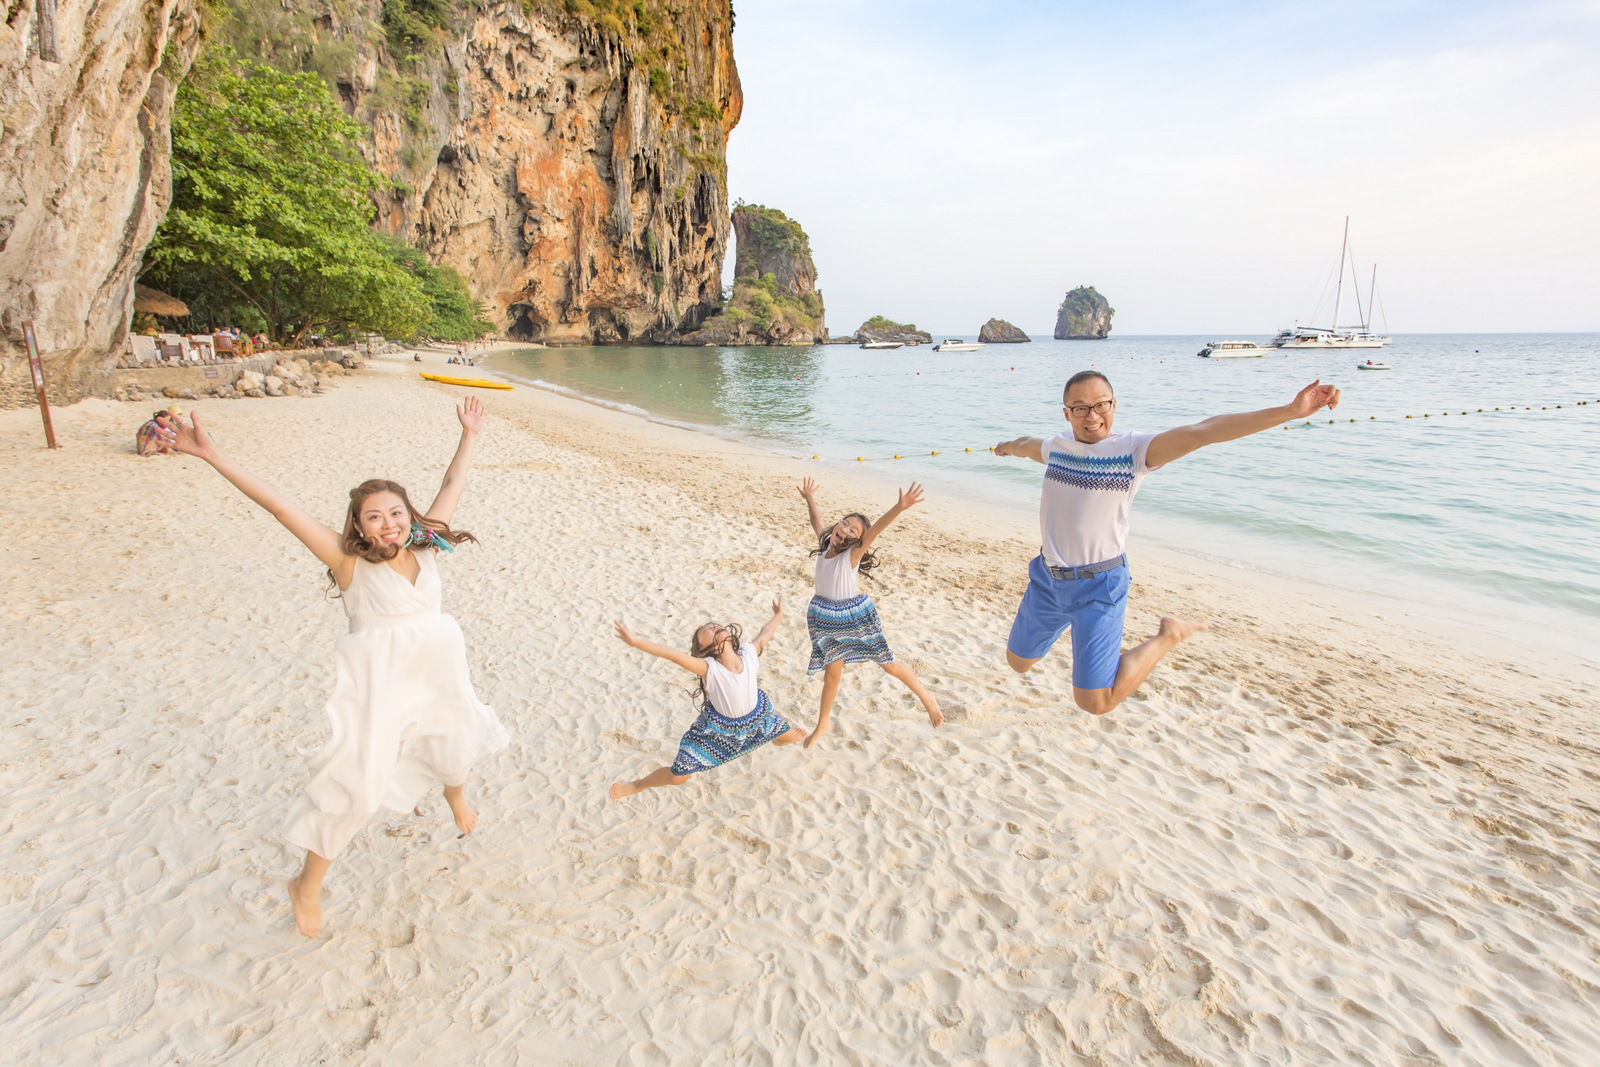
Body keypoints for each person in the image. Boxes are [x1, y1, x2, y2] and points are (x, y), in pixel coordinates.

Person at [159, 397, 509, 936]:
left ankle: (455, 797)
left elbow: (453, 481)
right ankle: (306, 885)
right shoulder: (347, 563)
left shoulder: (428, 546)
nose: (389, 524)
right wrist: (212, 455)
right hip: (380, 687)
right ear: (359, 527)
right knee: (360, 787)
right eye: (375, 517)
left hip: (439, 672)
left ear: (410, 516)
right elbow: (281, 509)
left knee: (455, 742)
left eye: (397, 513)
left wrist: (470, 435)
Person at [993, 371, 1341, 715]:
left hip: (1098, 587)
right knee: (1019, 662)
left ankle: (1169, 635)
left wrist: (1289, 411)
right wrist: (1006, 447)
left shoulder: (1133, 451)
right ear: (1066, 413)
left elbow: (1205, 431)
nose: (1092, 415)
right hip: (1047, 580)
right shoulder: (1056, 448)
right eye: (1080, 408)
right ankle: (1076, 630)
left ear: (1114, 405)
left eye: (1101, 405)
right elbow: (1026, 445)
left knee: (1095, 702)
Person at [796, 479, 943, 748]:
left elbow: (875, 531)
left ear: (857, 541)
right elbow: (816, 521)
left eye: (853, 531)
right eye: (844, 523)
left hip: (851, 619)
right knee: (831, 676)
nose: (845, 530)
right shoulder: (826, 545)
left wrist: (900, 507)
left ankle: (926, 696)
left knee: (889, 664)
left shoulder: (851, 556)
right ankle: (823, 724)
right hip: (826, 619)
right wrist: (810, 498)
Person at [609, 598, 804, 798]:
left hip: (758, 721)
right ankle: (637, 785)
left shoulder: (748, 654)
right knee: (678, 776)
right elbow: (673, 655)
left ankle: (777, 740)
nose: (713, 627)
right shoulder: (709, 668)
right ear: (703, 650)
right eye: (707, 631)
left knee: (787, 737)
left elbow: (765, 633)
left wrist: (778, 615)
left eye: (715, 625)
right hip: (720, 733)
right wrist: (635, 642)